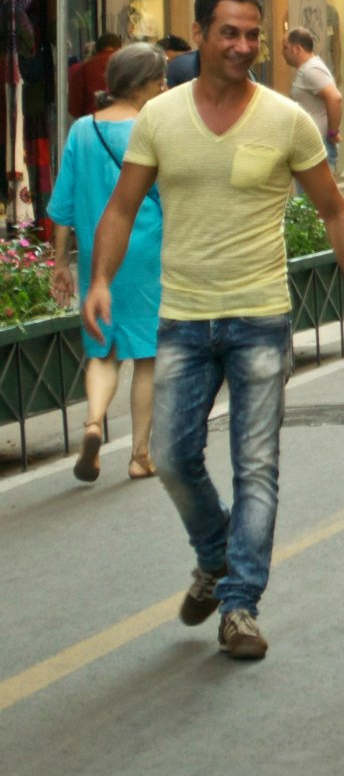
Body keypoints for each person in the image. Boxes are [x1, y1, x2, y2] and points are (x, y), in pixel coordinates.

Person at [86, 0, 344, 661]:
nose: (244, 46)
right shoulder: (159, 118)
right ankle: (216, 555)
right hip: (183, 317)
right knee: (170, 456)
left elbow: (338, 212)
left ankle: (240, 604)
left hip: (259, 314)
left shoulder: (286, 118)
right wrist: (99, 278)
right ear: (200, 33)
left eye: (253, 34)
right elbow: (122, 207)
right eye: (230, 32)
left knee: (256, 465)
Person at [50, 43, 167, 483]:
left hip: (98, 258)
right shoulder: (152, 129)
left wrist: (61, 261)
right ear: (143, 86)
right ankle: (139, 455)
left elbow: (62, 203)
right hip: (147, 252)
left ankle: (95, 421)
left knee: (104, 348)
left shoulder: (81, 130)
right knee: (147, 356)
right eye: (160, 81)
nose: (164, 88)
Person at [281, 26, 344, 170]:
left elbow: (335, 98)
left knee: (315, 193)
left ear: (297, 49)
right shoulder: (308, 69)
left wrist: (333, 133)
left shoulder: (311, 70)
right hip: (311, 146)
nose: (282, 53)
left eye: (285, 47)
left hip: (317, 146)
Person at [68, 31, 122, 124]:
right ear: (120, 48)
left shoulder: (83, 69)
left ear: (96, 49)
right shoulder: (128, 66)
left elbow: (74, 108)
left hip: (93, 124)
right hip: (123, 123)